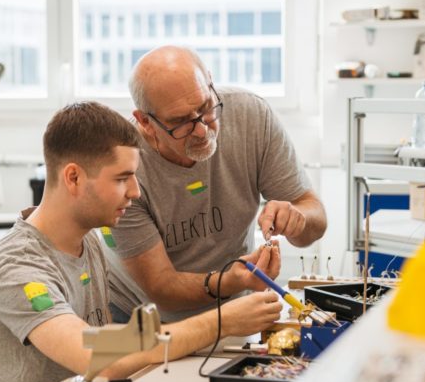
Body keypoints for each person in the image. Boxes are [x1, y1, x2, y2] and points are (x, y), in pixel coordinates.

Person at [0, 102, 283, 382]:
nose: (135, 192)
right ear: (74, 177)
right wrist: (224, 321)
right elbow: (101, 359)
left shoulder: (90, 242)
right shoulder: (19, 264)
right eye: (122, 178)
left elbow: (115, 343)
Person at [106, 46, 327, 322]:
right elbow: (162, 287)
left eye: (205, 108)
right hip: (142, 318)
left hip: (231, 310)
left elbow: (315, 217)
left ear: (209, 82)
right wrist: (232, 281)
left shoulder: (250, 116)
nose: (201, 129)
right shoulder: (124, 167)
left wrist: (298, 220)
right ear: (145, 122)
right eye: (180, 122)